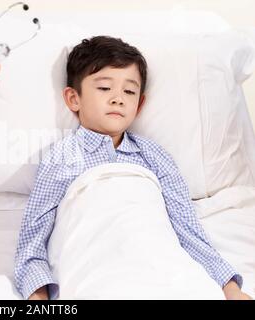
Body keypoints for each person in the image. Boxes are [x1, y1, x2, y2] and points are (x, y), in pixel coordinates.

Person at [14, 36, 252, 300]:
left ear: (139, 105)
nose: (118, 99)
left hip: (161, 266)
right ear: (73, 99)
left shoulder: (154, 156)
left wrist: (230, 288)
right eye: (104, 88)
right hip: (96, 268)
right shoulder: (61, 157)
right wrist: (38, 298)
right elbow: (32, 242)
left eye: (129, 92)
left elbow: (188, 230)